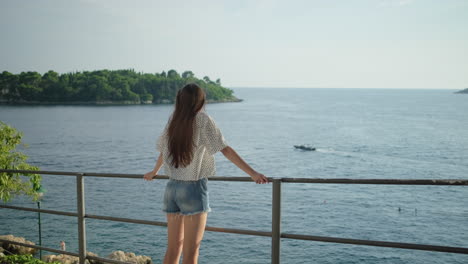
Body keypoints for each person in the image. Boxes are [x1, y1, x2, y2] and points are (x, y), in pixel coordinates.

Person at [143, 83, 268, 264]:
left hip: (171, 189)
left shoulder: (174, 121)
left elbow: (163, 150)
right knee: (191, 252)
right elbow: (224, 149)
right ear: (200, 101)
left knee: (173, 249)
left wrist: (154, 172)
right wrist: (253, 173)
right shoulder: (202, 120)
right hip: (193, 189)